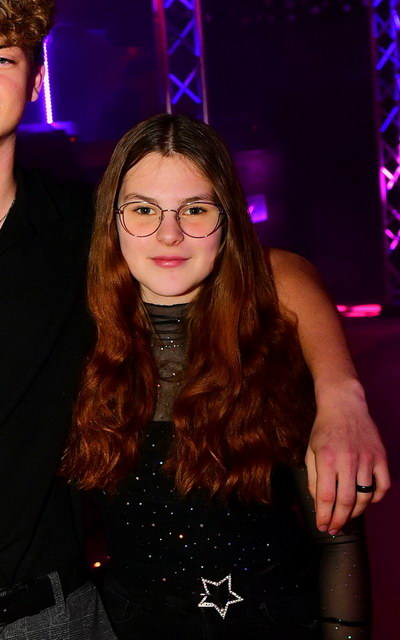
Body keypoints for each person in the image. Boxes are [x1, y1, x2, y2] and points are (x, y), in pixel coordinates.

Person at [0, 0, 387, 638]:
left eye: (1, 57)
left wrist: (342, 394)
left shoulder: (87, 234)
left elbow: (270, 269)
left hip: (66, 614)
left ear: (36, 78)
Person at [59, 113, 372, 639]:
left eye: (196, 209)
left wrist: (344, 391)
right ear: (111, 220)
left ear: (228, 220)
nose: (170, 234)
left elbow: (337, 541)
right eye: (143, 209)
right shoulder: (76, 342)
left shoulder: (280, 341)